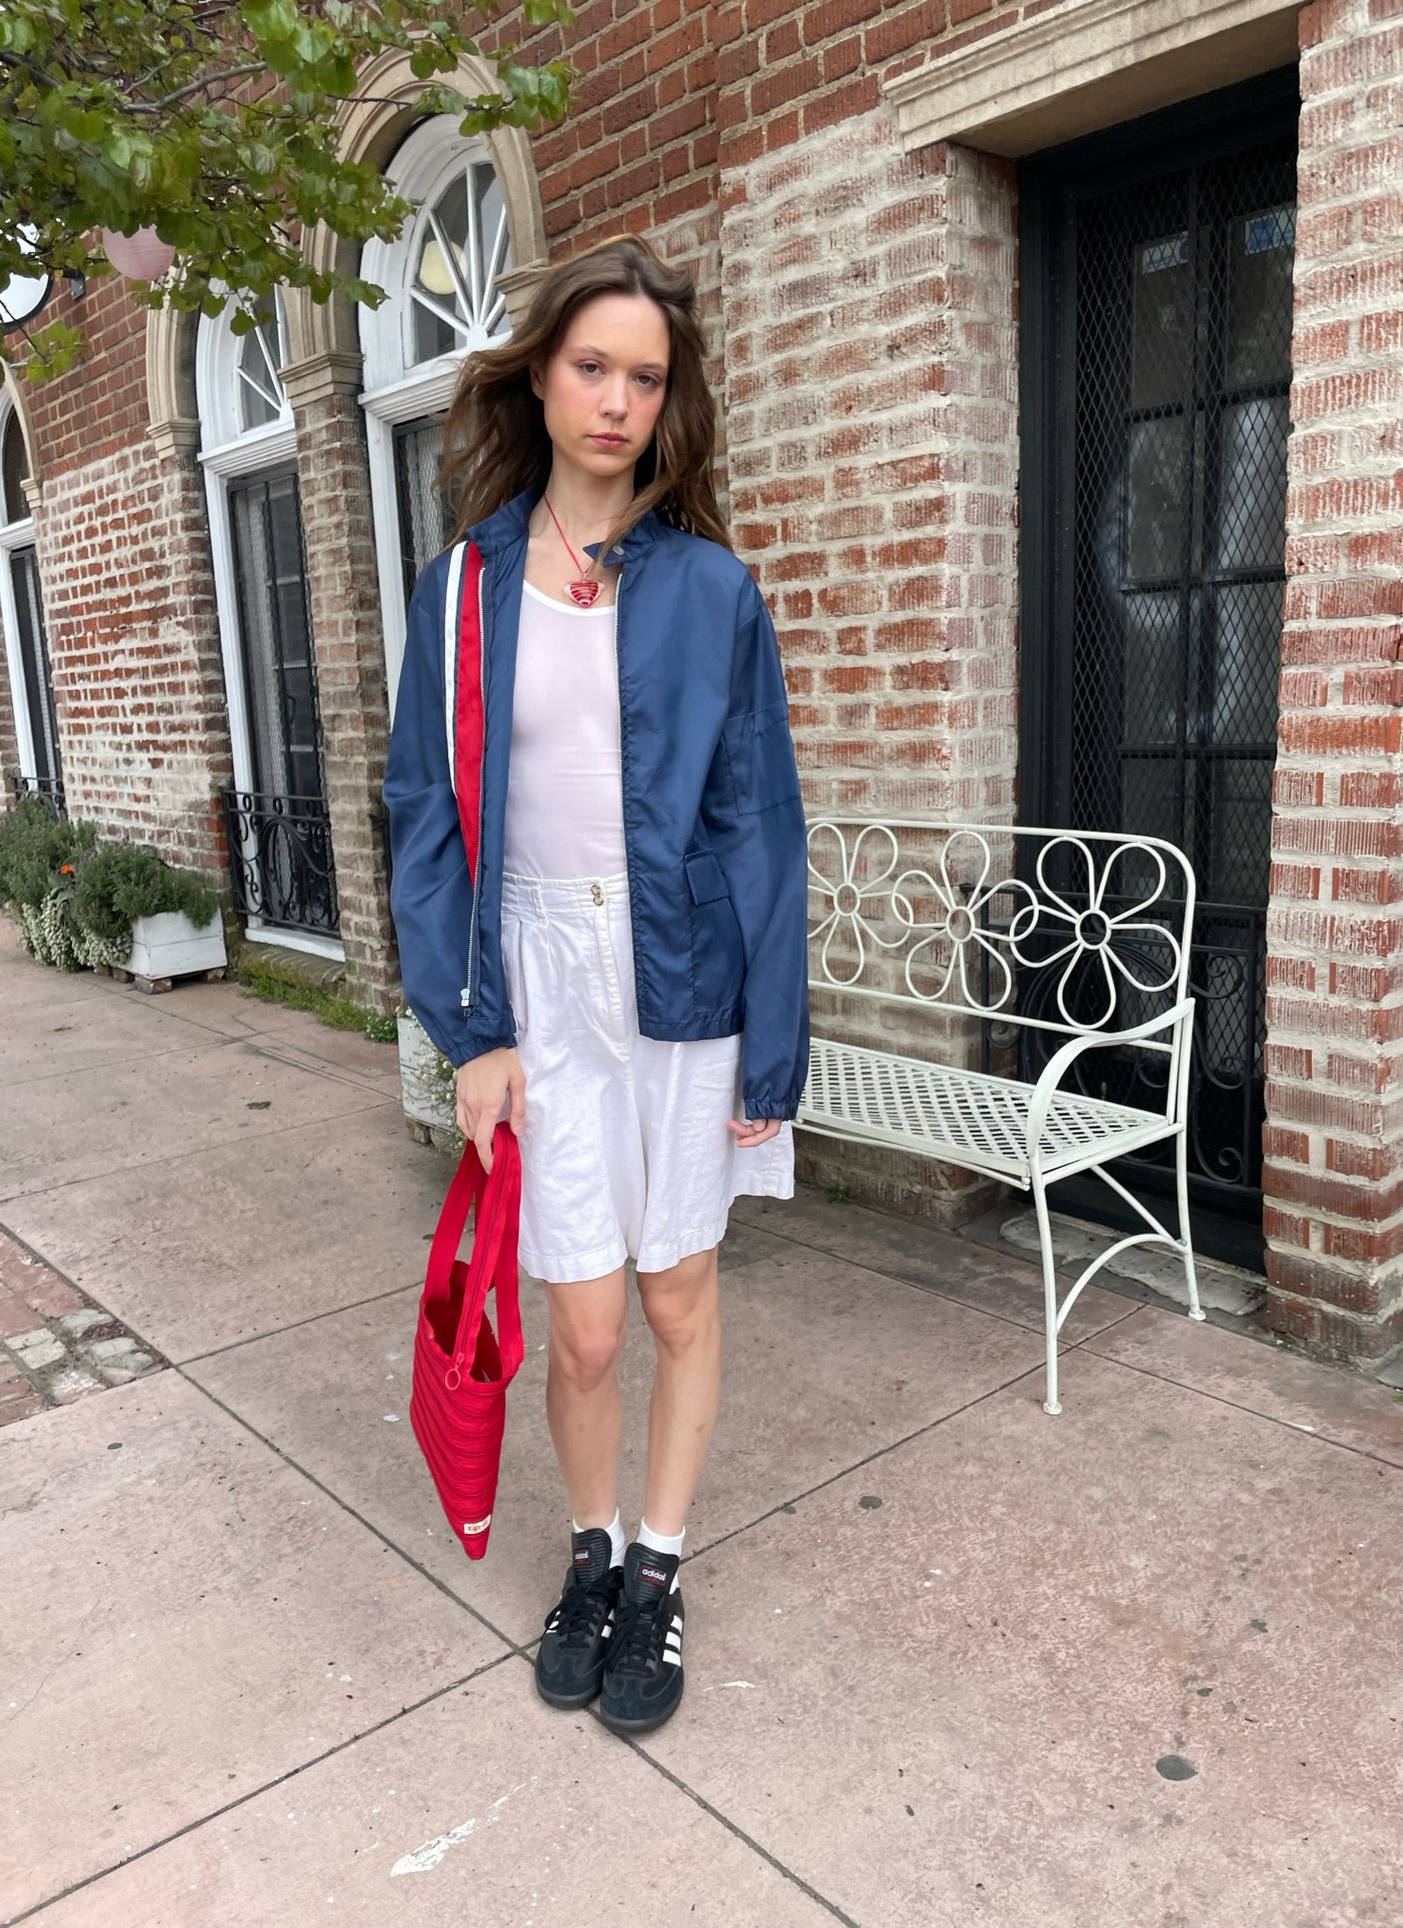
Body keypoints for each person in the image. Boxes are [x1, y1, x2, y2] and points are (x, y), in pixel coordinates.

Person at [383, 233, 810, 1736]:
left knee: (678, 1291)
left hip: (685, 972)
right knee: (578, 1324)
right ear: (540, 378)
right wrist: (469, 1032)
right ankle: (590, 1551)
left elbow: (760, 825)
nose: (617, 400)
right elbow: (425, 818)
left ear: (667, 398)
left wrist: (775, 1056)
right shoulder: (456, 593)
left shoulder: (712, 593)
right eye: (591, 367)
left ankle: (661, 1569)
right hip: (533, 980)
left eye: (646, 375)